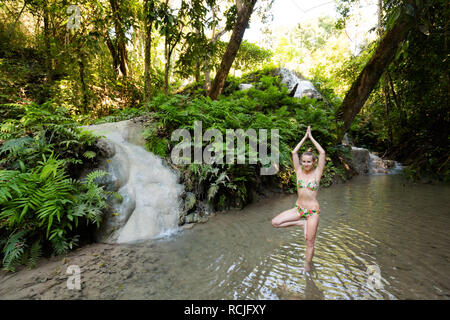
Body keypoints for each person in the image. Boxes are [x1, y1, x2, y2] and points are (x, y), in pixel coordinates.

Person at [271, 126, 326, 271]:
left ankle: (307, 265)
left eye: (309, 161)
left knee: (309, 241)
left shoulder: (317, 173)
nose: (306, 164)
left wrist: (312, 138)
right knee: (275, 222)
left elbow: (322, 152)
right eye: (304, 161)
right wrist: (304, 137)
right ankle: (301, 224)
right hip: (299, 209)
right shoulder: (298, 171)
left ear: (313, 162)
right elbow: (294, 152)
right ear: (301, 162)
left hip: (313, 212)